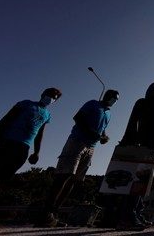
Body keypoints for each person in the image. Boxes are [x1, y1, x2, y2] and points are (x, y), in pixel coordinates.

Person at [37, 90, 119, 227]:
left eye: (116, 99)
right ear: (106, 96)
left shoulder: (109, 114)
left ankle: (54, 214)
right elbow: (78, 118)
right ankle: (45, 213)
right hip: (77, 142)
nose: (113, 101)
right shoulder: (93, 104)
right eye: (112, 98)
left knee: (74, 180)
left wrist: (104, 136)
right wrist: (91, 132)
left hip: (91, 148)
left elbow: (102, 129)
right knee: (64, 175)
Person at [116, 66, 154, 231]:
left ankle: (136, 213)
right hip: (147, 140)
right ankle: (128, 217)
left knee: (145, 181)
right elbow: (151, 114)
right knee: (139, 180)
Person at [0, 88, 62, 184]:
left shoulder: (47, 115)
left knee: (7, 175)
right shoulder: (26, 103)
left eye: (54, 98)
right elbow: (6, 119)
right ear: (43, 94)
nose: (51, 98)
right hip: (9, 141)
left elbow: (40, 134)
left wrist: (36, 152)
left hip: (24, 147)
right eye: (49, 95)